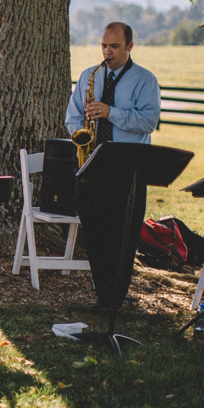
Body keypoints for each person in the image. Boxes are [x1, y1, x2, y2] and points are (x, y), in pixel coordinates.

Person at [64, 22, 161, 314]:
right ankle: (103, 294)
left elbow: (149, 121)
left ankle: (114, 299)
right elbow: (72, 116)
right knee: (94, 232)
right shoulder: (89, 76)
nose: (108, 52)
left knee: (123, 235)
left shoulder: (145, 80)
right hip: (93, 163)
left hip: (129, 166)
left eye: (115, 46)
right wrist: (81, 137)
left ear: (130, 46)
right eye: (104, 46)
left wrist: (111, 113)